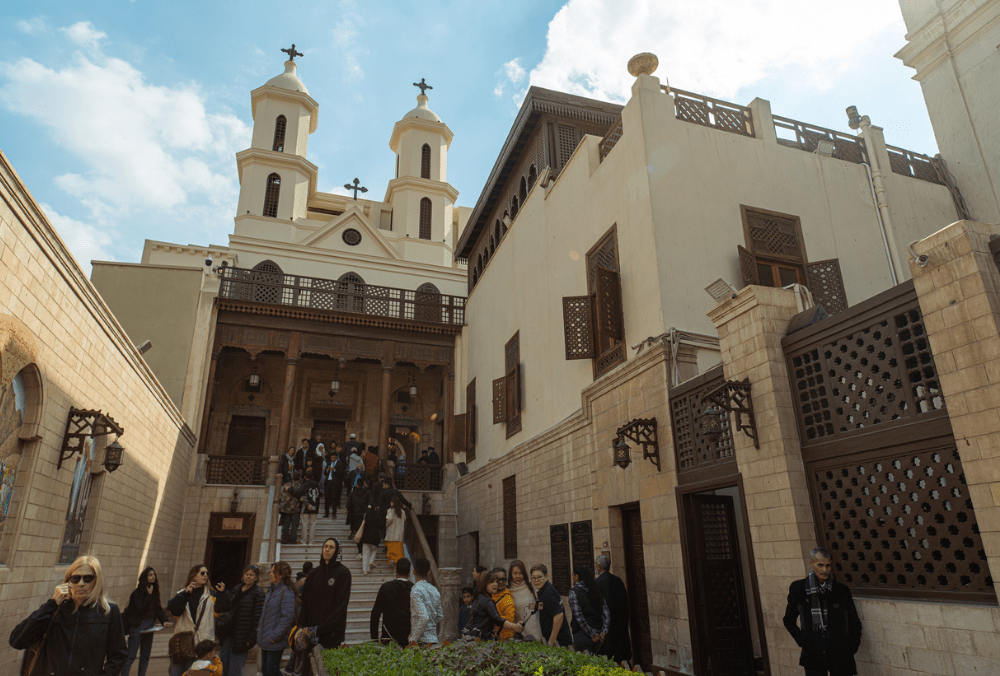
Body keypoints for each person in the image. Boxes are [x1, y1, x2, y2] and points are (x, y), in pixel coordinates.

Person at [10, 555, 128, 676]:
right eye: (75, 578)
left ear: (97, 581)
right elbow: (17, 641)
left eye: (88, 578)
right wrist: (52, 603)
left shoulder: (108, 612)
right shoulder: (55, 610)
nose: (81, 583)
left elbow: (119, 655)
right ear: (68, 581)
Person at [783, 547, 862, 676]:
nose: (824, 570)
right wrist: (803, 640)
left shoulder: (841, 590)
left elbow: (855, 622)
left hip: (841, 654)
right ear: (811, 563)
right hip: (813, 654)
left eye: (828, 565)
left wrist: (851, 647)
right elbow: (788, 620)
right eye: (820, 565)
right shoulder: (798, 589)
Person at [297, 539, 352, 671]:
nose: (327, 549)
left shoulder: (343, 573)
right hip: (310, 634)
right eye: (325, 546)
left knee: (326, 671)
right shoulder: (313, 574)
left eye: (331, 547)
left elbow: (341, 606)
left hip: (331, 636)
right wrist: (300, 627)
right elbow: (304, 603)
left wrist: (321, 629)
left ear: (337, 551)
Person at [166, 565, 231, 676]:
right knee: (175, 673)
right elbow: (173, 610)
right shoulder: (183, 593)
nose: (205, 575)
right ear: (194, 575)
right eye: (202, 573)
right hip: (182, 642)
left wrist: (223, 594)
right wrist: (185, 594)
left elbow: (222, 609)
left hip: (201, 644)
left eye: (207, 573)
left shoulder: (212, 595)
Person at [122, 567, 172, 676]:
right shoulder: (136, 593)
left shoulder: (154, 592)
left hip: (150, 625)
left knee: (145, 656)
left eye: (154, 574)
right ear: (145, 577)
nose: (153, 576)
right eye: (150, 575)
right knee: (131, 656)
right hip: (137, 626)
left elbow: (158, 608)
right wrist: (148, 595)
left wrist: (165, 621)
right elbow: (140, 609)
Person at [218, 565, 264, 676]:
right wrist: (223, 593)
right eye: (246, 574)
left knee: (235, 669)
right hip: (228, 633)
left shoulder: (258, 593)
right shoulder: (237, 588)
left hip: (243, 636)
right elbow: (228, 607)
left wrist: (251, 638)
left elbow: (257, 618)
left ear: (256, 577)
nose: (248, 577)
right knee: (224, 664)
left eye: (251, 575)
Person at [256, 562, 297, 676]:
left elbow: (287, 617)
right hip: (266, 638)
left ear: (280, 575)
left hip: (274, 639)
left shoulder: (286, 591)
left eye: (273, 572)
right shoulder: (271, 590)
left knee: (272, 671)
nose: (270, 574)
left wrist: (275, 636)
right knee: (265, 671)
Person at [462, 570, 524, 641]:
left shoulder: (480, 597)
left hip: (470, 637)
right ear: (484, 584)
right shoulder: (487, 601)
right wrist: (514, 626)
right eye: (491, 582)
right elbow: (497, 619)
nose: (495, 584)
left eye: (495, 582)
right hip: (477, 640)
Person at [595, 554, 631, 664]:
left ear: (599, 566)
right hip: (620, 629)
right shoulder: (618, 581)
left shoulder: (597, 583)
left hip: (607, 633)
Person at [370, 558, 413, 646]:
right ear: (409, 571)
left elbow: (375, 613)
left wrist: (374, 638)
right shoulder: (414, 589)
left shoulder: (386, 587)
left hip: (388, 636)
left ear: (395, 569)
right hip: (409, 636)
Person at [569, 564, 610, 654]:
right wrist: (603, 632)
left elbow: (579, 617)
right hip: (599, 636)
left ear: (576, 576)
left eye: (573, 575)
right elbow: (606, 614)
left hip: (583, 636)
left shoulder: (574, 592)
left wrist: (591, 634)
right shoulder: (596, 590)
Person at [529, 564, 571, 648]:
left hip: (559, 643)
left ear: (546, 576)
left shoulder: (548, 594)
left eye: (539, 577)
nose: (536, 580)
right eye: (533, 578)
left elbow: (559, 615)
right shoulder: (543, 590)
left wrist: (551, 641)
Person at [409, 558, 442, 646]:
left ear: (413, 571)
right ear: (429, 573)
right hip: (433, 639)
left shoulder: (415, 590)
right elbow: (439, 615)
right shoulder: (434, 589)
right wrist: (430, 626)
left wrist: (413, 639)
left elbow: (424, 617)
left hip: (421, 641)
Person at [508, 560, 541, 641]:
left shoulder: (531, 586)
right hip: (523, 636)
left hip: (539, 632)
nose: (518, 576)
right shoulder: (508, 591)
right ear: (511, 574)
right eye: (515, 573)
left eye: (521, 573)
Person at [490, 567, 516, 641]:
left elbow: (510, 619)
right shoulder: (489, 595)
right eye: (498, 579)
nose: (501, 582)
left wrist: (490, 618)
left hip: (503, 639)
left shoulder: (507, 598)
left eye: (503, 579)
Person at [360, 497, 383, 575]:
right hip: (375, 537)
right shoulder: (377, 515)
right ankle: (371, 560)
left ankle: (365, 570)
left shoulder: (366, 514)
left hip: (366, 536)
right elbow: (380, 525)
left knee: (365, 554)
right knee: (374, 549)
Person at [347, 479, 370, 557]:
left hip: (355, 515)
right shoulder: (367, 493)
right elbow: (370, 502)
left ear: (357, 484)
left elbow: (348, 505)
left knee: (358, 533)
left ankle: (360, 551)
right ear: (363, 484)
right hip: (364, 514)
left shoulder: (353, 493)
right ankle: (365, 550)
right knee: (365, 532)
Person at [298, 468, 320, 545]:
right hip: (315, 506)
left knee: (304, 524)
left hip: (305, 507)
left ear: (305, 477)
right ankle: (311, 541)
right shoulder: (317, 484)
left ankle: (303, 541)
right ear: (312, 476)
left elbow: (300, 494)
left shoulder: (305, 485)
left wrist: (308, 504)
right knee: (313, 524)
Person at [279, 471, 302, 544]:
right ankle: (292, 540)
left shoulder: (286, 485)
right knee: (294, 526)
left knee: (286, 525)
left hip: (286, 508)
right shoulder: (300, 486)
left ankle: (285, 539)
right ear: (299, 478)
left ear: (292, 477)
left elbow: (282, 496)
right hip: (296, 508)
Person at [384, 497, 405, 568]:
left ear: (393, 503)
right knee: (399, 552)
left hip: (391, 534)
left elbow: (389, 519)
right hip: (399, 536)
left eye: (391, 502)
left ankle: (392, 560)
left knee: (391, 551)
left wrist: (386, 525)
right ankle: (397, 565)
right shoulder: (403, 512)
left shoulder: (390, 510)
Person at [323, 447, 344, 518]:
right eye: (331, 458)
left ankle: (334, 513)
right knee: (327, 499)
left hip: (335, 483)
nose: (332, 459)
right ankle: (326, 513)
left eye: (334, 458)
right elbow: (325, 473)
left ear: (336, 457)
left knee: (334, 499)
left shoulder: (340, 464)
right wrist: (327, 470)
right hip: (328, 482)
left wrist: (334, 470)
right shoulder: (329, 463)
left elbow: (341, 473)